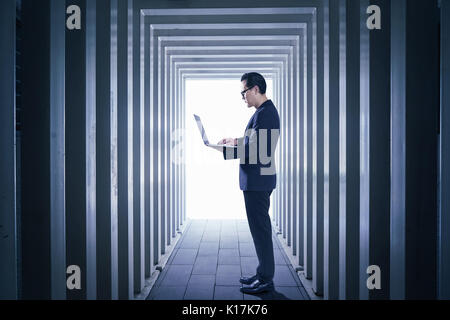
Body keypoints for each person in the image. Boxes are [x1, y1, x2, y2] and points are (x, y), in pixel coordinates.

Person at [217, 72, 280, 294]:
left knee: (261, 231)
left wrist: (225, 151)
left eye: (244, 92)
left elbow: (258, 151)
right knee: (259, 230)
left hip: (258, 182)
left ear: (255, 89)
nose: (243, 97)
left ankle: (266, 280)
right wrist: (234, 141)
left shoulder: (266, 114)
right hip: (257, 180)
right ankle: (262, 274)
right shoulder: (262, 113)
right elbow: (255, 141)